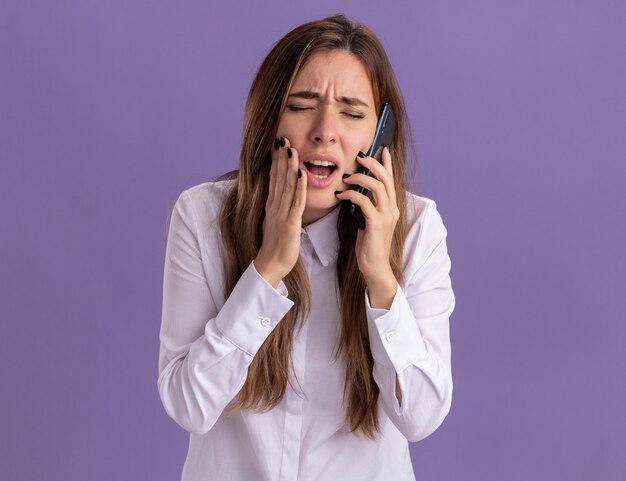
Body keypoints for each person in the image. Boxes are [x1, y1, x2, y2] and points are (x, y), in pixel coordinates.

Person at [157, 14, 455, 481]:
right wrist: (267, 269)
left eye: (352, 113)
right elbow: (187, 404)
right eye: (301, 105)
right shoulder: (201, 217)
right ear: (269, 118)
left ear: (381, 137)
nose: (325, 131)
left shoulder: (418, 229)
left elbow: (420, 417)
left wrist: (380, 280)